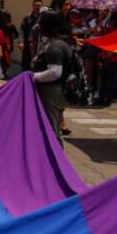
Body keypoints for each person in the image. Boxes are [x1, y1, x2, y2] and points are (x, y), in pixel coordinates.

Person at [30, 10, 72, 145]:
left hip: (52, 92)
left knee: (51, 129)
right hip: (53, 91)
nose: (37, 25)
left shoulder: (55, 47)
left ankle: (56, 162)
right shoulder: (55, 43)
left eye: (40, 22)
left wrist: (33, 76)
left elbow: (55, 73)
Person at [21, 0, 43, 71]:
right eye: (36, 5)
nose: (37, 7)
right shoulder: (27, 18)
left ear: (41, 6)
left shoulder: (43, 18)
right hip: (27, 45)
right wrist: (21, 42)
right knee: (25, 63)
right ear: (33, 6)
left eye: (39, 5)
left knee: (37, 64)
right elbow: (21, 31)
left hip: (39, 45)